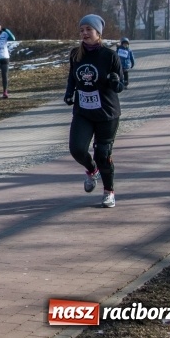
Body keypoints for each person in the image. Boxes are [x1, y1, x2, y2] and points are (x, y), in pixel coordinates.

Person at [63, 14, 124, 208]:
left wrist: (115, 82)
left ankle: (109, 191)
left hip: (106, 112)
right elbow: (72, 77)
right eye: (82, 30)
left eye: (89, 29)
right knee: (77, 149)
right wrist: (69, 92)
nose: (85, 33)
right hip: (84, 112)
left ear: (98, 32)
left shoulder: (110, 56)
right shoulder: (76, 54)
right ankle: (91, 170)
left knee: (102, 154)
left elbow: (121, 85)